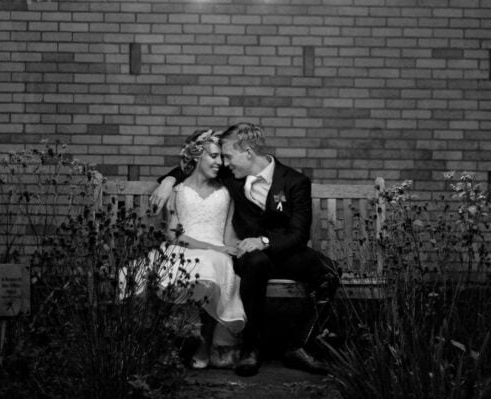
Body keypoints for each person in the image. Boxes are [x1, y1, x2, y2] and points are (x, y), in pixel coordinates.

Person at [151, 122, 339, 377]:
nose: (225, 163)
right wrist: (168, 180)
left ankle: (301, 346)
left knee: (330, 271)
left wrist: (264, 241)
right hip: (249, 256)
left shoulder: (295, 182)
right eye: (222, 157)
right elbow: (193, 167)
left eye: (228, 156)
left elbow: (299, 234)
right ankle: (251, 348)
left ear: (248, 153)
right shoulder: (232, 177)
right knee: (256, 263)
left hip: (282, 250)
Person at [126, 129, 245, 369]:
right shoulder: (178, 191)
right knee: (161, 271)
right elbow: (173, 235)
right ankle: (164, 343)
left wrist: (228, 250)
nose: (220, 162)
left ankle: (206, 343)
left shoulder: (225, 191)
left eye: (221, 157)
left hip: (217, 251)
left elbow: (228, 233)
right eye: (213, 156)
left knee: (213, 268)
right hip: (183, 246)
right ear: (196, 156)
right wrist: (170, 181)